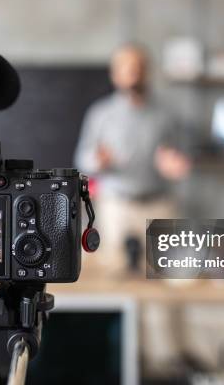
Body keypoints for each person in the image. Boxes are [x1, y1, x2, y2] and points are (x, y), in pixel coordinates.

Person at [75, 43, 192, 273]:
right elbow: (82, 159)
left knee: (165, 277)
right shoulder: (101, 114)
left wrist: (176, 164)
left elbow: (182, 156)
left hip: (158, 205)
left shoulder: (166, 114)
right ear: (115, 73)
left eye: (138, 67)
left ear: (147, 71)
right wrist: (98, 161)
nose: (133, 72)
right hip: (116, 207)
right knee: (112, 276)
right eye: (126, 67)